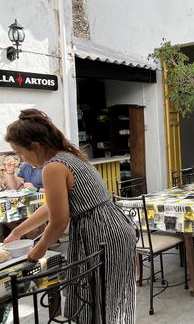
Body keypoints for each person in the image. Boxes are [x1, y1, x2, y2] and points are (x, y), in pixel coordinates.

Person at [3, 109, 136, 323]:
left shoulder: (53, 167)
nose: (22, 161)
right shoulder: (68, 156)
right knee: (110, 296)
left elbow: (58, 220)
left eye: (20, 153)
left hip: (99, 232)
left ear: (35, 146)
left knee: (97, 296)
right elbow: (52, 207)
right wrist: (18, 231)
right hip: (114, 227)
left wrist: (38, 249)